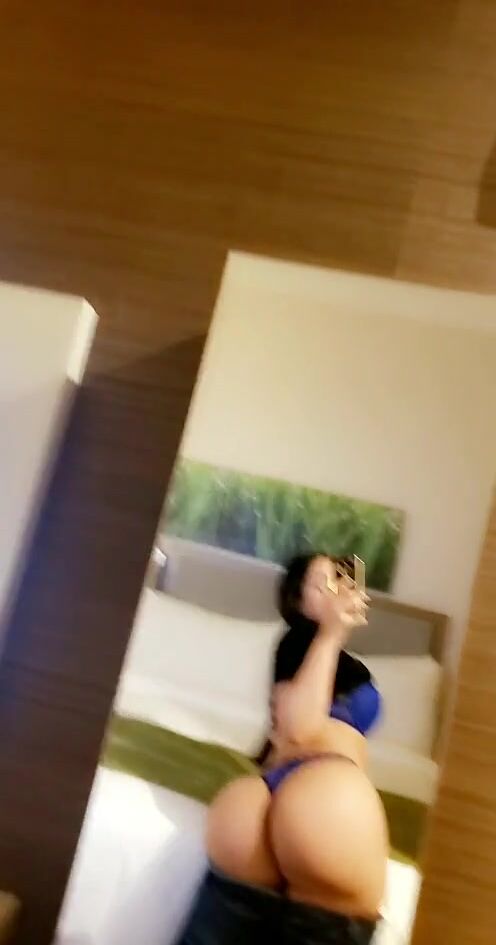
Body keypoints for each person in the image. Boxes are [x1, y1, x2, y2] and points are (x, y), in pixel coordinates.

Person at [204, 553, 389, 944]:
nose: (334, 590)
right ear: (298, 603)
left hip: (260, 802)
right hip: (323, 800)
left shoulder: (315, 655)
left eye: (336, 579)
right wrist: (332, 633)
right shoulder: (300, 641)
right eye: (320, 585)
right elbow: (301, 729)